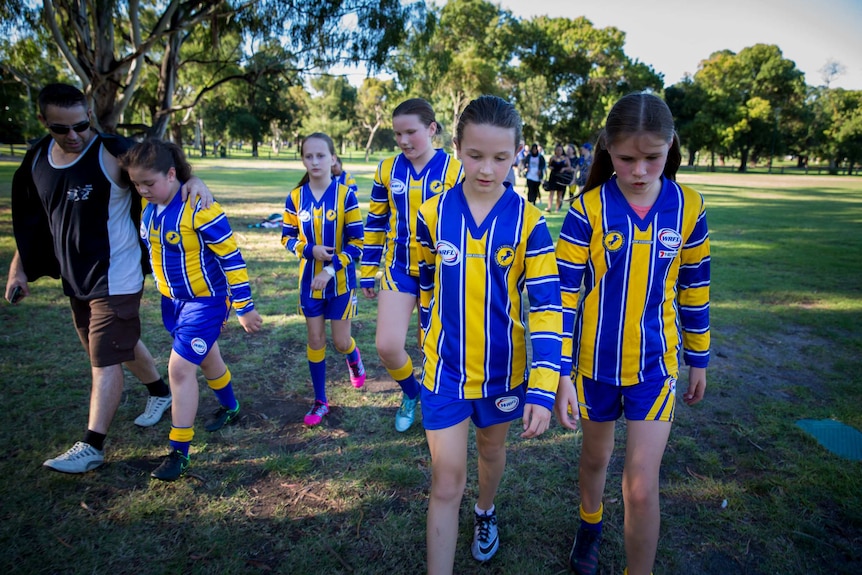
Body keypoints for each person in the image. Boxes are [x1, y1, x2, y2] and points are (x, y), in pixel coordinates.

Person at [6, 83, 212, 474]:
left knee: (103, 360)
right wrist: (20, 268)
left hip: (116, 276)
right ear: (43, 123)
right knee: (115, 343)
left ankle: (92, 445)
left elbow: (162, 163)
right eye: (60, 128)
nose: (74, 136)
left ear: (89, 118)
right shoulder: (36, 161)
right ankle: (158, 392)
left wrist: (193, 180)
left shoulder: (112, 152)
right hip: (75, 278)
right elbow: (34, 227)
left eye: (81, 125)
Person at [554, 93, 711, 575]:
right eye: (626, 158)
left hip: (654, 367)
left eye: (652, 158)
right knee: (596, 459)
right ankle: (590, 523)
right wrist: (560, 374)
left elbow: (695, 286)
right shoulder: (587, 209)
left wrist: (699, 358)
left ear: (671, 148)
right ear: (607, 150)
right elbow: (561, 298)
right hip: (594, 367)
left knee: (642, 485)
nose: (640, 170)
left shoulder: (688, 207)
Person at [416, 95, 562, 573]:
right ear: (456, 147)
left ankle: (485, 511)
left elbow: (545, 308)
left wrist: (545, 385)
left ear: (518, 153)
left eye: (501, 158)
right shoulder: (433, 213)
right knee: (445, 482)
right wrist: (423, 332)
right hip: (445, 374)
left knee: (491, 450)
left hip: (503, 375)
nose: (486, 168)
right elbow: (423, 280)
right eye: (475, 155)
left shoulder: (530, 223)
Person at [119, 139, 263, 480]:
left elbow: (232, 258)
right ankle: (230, 407)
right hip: (173, 304)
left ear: (171, 174)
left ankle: (178, 451)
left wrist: (244, 307)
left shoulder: (200, 207)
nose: (142, 190)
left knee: (180, 370)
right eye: (136, 184)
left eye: (149, 183)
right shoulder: (149, 208)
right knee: (208, 357)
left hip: (206, 302)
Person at [361, 98, 462, 432]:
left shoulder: (455, 170)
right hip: (399, 268)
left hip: (443, 275)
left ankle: (438, 413)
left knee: (431, 349)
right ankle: (410, 392)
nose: (404, 141)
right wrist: (368, 269)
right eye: (397, 134)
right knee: (387, 346)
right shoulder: (387, 169)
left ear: (432, 129)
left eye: (411, 132)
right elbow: (376, 221)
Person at [282, 133, 366, 426]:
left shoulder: (346, 195)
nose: (315, 161)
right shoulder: (296, 197)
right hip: (309, 283)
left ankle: (353, 357)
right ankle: (320, 401)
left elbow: (358, 243)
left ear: (333, 159)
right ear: (303, 160)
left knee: (340, 341)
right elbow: (287, 237)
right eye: (309, 156)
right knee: (315, 339)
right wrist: (309, 250)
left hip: (340, 281)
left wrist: (330, 269)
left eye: (321, 156)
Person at [546, 143, 572, 213]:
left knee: (559, 193)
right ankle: (549, 207)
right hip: (553, 176)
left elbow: (569, 167)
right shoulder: (552, 158)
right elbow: (549, 165)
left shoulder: (565, 158)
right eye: (557, 150)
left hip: (561, 177)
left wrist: (564, 169)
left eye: (560, 150)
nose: (558, 151)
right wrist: (550, 167)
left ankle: (557, 208)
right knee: (551, 192)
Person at [520, 142, 545, 207]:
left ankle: (534, 201)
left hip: (537, 176)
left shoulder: (540, 157)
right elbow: (524, 163)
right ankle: (529, 201)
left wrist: (540, 170)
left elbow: (543, 165)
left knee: (535, 189)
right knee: (530, 189)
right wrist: (526, 168)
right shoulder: (529, 156)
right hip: (530, 175)